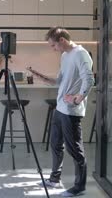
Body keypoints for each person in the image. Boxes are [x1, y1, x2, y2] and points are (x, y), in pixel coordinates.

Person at [32, 27, 94, 197]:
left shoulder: (80, 54)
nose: (53, 49)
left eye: (53, 45)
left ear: (62, 40)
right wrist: (44, 78)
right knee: (55, 144)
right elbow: (60, 80)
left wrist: (77, 98)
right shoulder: (65, 55)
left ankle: (79, 187)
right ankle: (54, 178)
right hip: (60, 108)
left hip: (71, 111)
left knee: (75, 149)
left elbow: (89, 79)